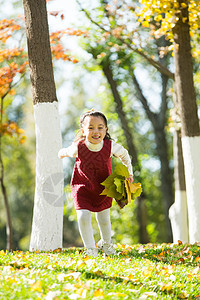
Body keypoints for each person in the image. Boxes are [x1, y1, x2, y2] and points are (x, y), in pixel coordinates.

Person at [58, 110, 133, 256]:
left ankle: (106, 244)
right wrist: (61, 153)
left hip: (104, 187)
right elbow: (67, 151)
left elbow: (125, 155)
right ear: (83, 131)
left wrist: (129, 173)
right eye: (90, 128)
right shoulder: (79, 147)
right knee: (83, 216)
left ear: (106, 130)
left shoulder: (110, 146)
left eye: (100, 127)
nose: (96, 131)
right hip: (82, 187)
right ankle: (90, 248)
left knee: (104, 218)